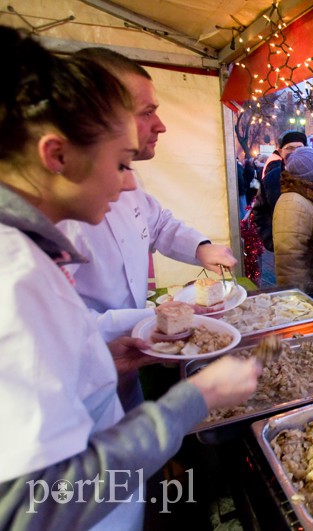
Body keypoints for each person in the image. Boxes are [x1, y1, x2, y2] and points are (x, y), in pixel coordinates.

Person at [0, 26, 260, 528]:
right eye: (120, 164)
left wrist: (98, 355)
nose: (126, 183)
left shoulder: (27, 254)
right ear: (56, 155)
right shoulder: (15, 277)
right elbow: (37, 504)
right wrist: (196, 399)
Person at [56, 47, 237, 410]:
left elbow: (157, 222)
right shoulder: (51, 221)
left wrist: (202, 248)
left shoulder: (128, 181)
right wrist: (165, 316)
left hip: (125, 363)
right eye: (148, 112)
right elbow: (63, 329)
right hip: (75, 388)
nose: (161, 125)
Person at [273, 147, 313, 285]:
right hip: (307, 289)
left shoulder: (311, 196)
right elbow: (290, 260)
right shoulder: (292, 203)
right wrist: (300, 299)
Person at [251, 129, 307, 252]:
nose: (295, 152)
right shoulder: (271, 179)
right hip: (283, 249)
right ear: (281, 152)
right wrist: (270, 240)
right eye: (290, 148)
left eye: (299, 147)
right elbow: (259, 212)